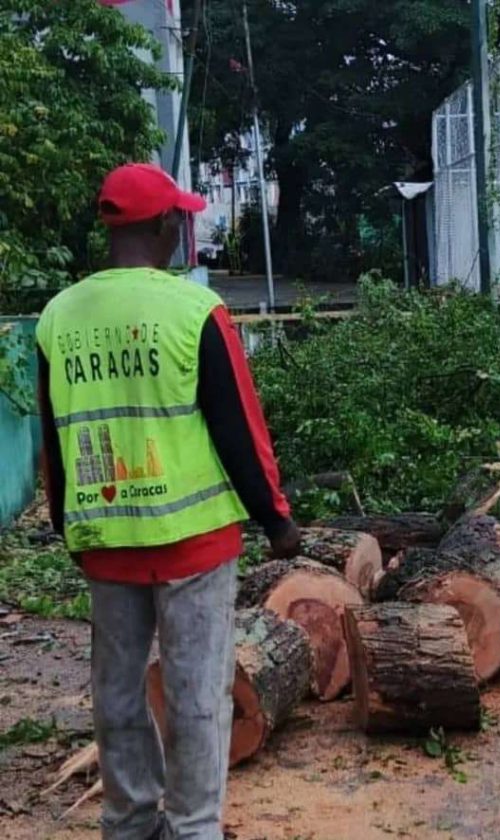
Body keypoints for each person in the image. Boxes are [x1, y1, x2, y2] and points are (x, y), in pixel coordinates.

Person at [36, 163, 301, 840]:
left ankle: (128, 822)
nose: (184, 230)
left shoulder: (59, 318)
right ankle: (193, 828)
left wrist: (70, 527)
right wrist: (275, 519)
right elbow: (237, 425)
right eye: (180, 219)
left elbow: (54, 432)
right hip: (195, 539)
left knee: (118, 692)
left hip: (107, 540)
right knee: (195, 697)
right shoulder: (194, 311)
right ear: (160, 227)